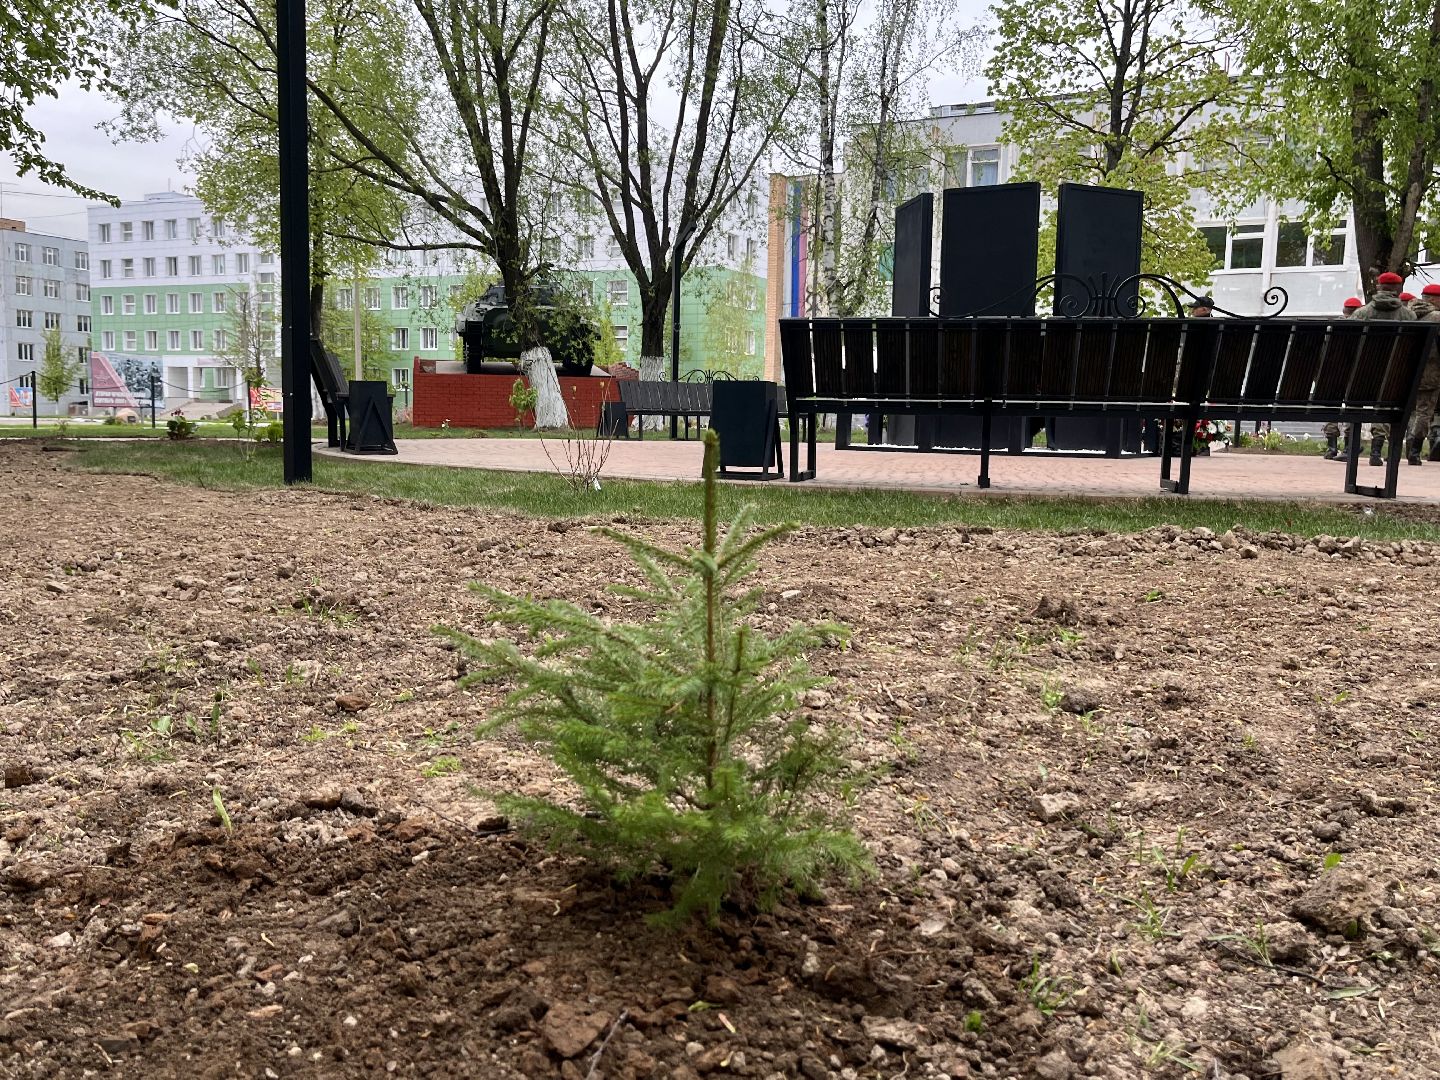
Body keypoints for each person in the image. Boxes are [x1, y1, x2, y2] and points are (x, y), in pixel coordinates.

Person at [1352, 272, 1416, 464]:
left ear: (1379, 287)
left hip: (1363, 376)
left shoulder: (1361, 314)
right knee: (1386, 403)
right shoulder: (1409, 316)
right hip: (1395, 377)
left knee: (1356, 401)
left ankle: (1351, 447)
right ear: (1398, 290)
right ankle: (1377, 451)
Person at [1323, 298, 1367, 459]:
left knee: (1330, 406)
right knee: (1354, 406)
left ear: (1344, 311)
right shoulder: (1363, 329)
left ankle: (1331, 447)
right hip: (1355, 376)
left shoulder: (1331, 327)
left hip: (1332, 375)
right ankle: (1349, 445)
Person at [1402, 283, 1440, 465]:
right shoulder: (1436, 317)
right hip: (1430, 373)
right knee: (1424, 411)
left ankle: (1408, 441)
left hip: (1404, 373)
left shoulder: (1407, 313)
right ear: (1433, 299)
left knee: (1410, 411)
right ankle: (1415, 449)